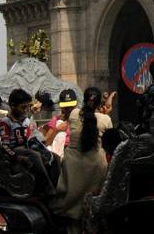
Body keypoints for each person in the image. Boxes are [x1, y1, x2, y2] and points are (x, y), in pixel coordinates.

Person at [54, 87, 113, 234]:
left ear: (84, 101)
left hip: (73, 166)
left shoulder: (74, 114)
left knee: (73, 218)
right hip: (97, 167)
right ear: (100, 104)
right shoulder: (105, 120)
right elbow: (110, 141)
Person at [0, 88, 57, 197]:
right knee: (35, 155)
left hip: (28, 148)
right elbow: (5, 146)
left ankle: (56, 186)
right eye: (23, 107)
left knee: (54, 158)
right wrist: (16, 157)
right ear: (13, 105)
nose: (25, 110)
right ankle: (47, 188)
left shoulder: (26, 121)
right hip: (16, 152)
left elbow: (35, 136)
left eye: (27, 107)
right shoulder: (6, 123)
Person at [43, 89, 78, 158]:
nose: (69, 109)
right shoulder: (56, 120)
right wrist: (57, 130)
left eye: (71, 106)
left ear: (76, 105)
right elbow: (46, 143)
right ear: (61, 107)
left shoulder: (81, 119)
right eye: (66, 107)